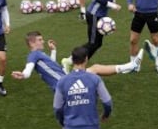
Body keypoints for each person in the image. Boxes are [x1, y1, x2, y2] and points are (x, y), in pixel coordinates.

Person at [11, 31, 143, 92]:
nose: (43, 41)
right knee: (94, 69)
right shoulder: (33, 56)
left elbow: (51, 67)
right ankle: (131, 65)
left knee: (92, 71)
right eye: (40, 40)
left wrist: (54, 51)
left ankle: (130, 66)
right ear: (32, 42)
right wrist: (23, 75)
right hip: (63, 84)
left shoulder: (39, 54)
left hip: (64, 79)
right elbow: (28, 70)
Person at [54, 46, 112, 129]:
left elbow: (57, 108)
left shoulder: (62, 81)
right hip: (91, 128)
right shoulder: (95, 79)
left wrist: (62, 122)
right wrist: (106, 115)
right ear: (86, 59)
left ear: (73, 60)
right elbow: (107, 102)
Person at [61, 0, 121, 70]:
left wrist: (113, 1)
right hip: (94, 14)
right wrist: (113, 5)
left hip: (101, 15)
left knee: (97, 43)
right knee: (92, 43)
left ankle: (78, 64)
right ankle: (70, 61)